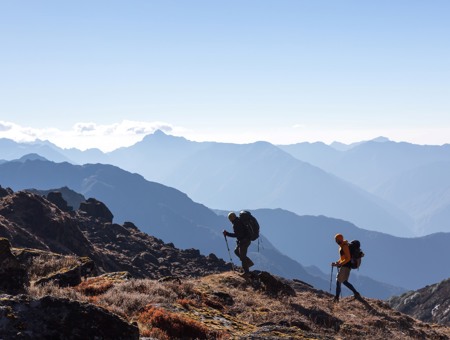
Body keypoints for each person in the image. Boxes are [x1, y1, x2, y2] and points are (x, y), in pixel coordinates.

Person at [331, 233, 361, 302]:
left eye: (337, 240)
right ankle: (356, 293)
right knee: (344, 281)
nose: (336, 242)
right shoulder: (341, 247)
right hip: (346, 266)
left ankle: (337, 298)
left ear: (340, 239)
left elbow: (348, 258)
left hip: (346, 266)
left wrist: (340, 264)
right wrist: (337, 263)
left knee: (338, 280)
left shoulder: (344, 246)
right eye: (335, 240)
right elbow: (343, 258)